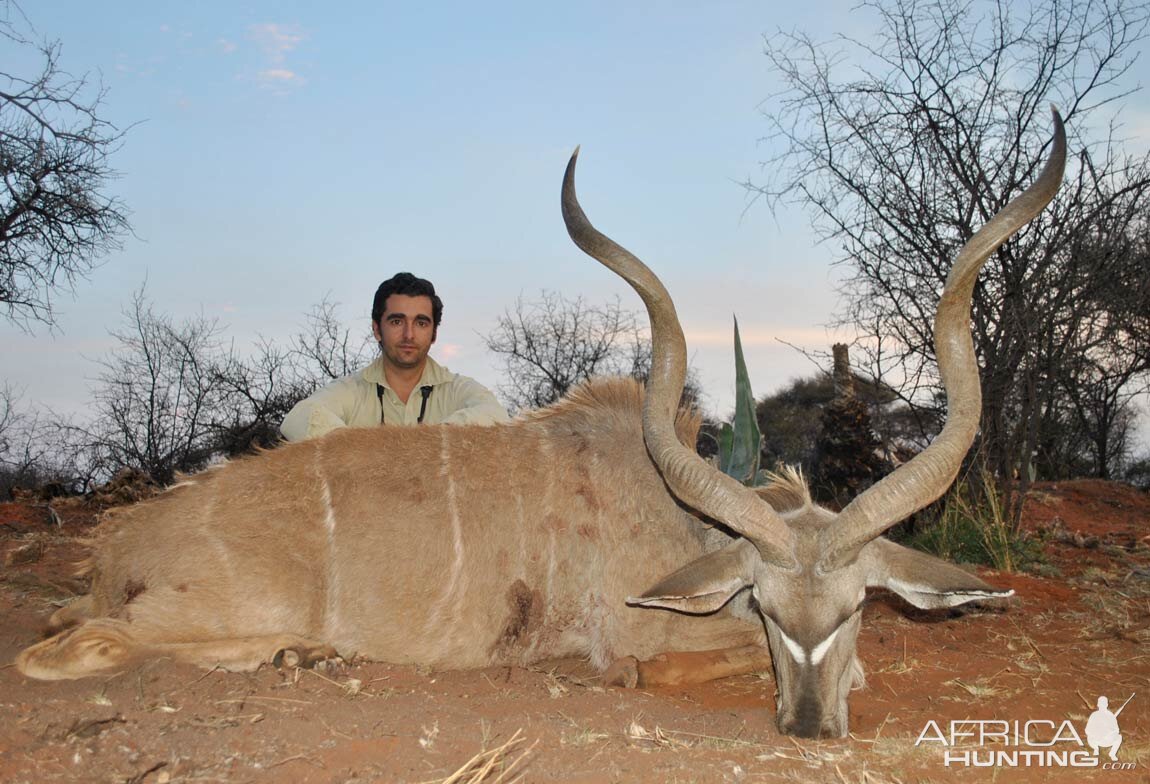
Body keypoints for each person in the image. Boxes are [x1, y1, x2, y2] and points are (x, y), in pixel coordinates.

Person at [280, 273, 508, 441]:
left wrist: (430, 442)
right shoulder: (352, 389)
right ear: (377, 329)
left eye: (421, 323)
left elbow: (496, 416)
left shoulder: (458, 388)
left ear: (434, 333)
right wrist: (362, 450)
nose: (409, 334)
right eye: (397, 321)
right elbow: (298, 418)